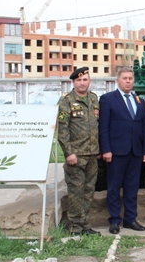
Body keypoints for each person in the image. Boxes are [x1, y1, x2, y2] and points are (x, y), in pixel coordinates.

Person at [99, 67, 145, 234]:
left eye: (130, 78)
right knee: (114, 187)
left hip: (135, 151)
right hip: (116, 151)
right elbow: (103, 128)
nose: (128, 81)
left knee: (132, 187)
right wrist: (106, 149)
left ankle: (130, 219)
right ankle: (115, 220)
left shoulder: (139, 101)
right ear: (118, 80)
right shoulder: (108, 99)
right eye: (125, 78)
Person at [56, 67, 101, 236]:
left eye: (85, 80)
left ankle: (85, 225)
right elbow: (62, 129)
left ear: (89, 81)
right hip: (76, 155)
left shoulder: (94, 99)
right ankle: (75, 227)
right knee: (75, 192)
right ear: (73, 82)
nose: (82, 83)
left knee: (88, 191)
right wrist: (69, 153)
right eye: (78, 80)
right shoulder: (66, 101)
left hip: (92, 154)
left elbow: (96, 126)